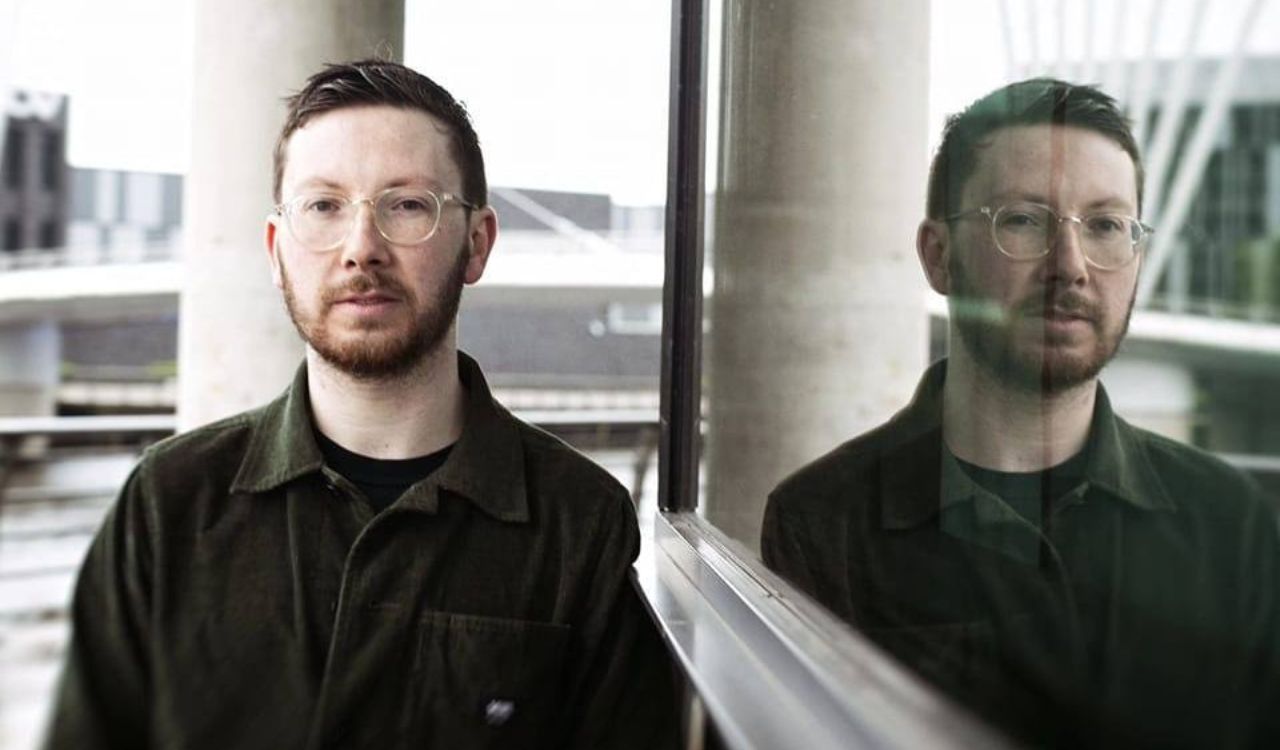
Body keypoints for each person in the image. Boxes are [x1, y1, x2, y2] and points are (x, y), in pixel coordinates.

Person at [44, 59, 676, 749]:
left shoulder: (579, 521)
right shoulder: (167, 504)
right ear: (277, 248)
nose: (361, 248)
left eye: (407, 204)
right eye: (323, 206)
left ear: (477, 242)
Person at [762, 78, 1280, 748]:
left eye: (1105, 226)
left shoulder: (1228, 519)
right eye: (1023, 220)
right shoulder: (822, 521)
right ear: (938, 256)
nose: (1071, 267)